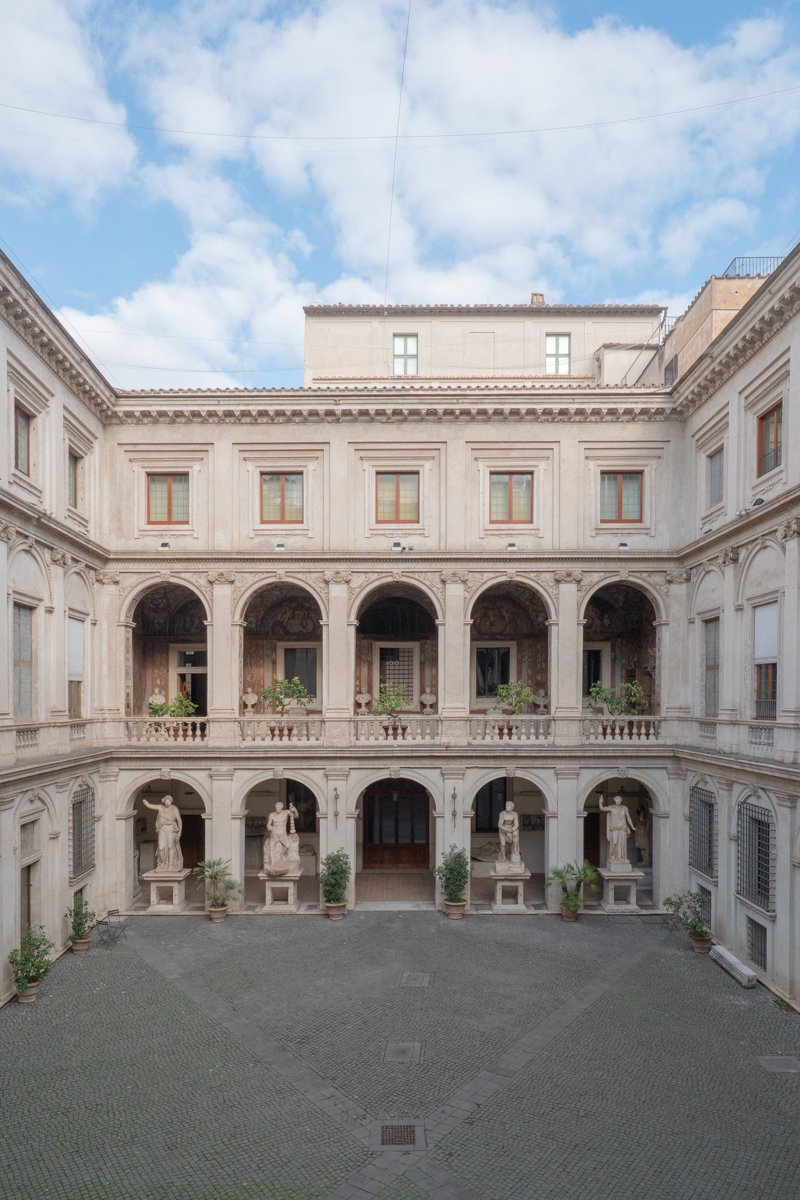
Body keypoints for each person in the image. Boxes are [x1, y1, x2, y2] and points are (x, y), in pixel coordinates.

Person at [142, 794, 183, 871]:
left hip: (171, 828)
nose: (167, 802)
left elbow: (179, 820)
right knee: (161, 847)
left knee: (170, 846)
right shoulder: (161, 807)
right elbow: (151, 806)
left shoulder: (174, 809)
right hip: (162, 828)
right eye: (166, 801)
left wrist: (180, 832)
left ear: (171, 801)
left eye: (169, 801)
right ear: (164, 801)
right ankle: (163, 863)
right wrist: (146, 803)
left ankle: (170, 865)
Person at [263, 800, 301, 876]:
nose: (278, 809)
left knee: (287, 846)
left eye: (279, 808)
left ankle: (281, 855)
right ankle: (273, 864)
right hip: (274, 834)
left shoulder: (286, 812)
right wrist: (269, 827)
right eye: (276, 808)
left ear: (282, 808)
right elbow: (268, 824)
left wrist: (295, 810)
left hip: (283, 834)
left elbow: (296, 816)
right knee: (271, 847)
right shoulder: (272, 815)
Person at [598, 795, 636, 865]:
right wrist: (600, 802)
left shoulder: (625, 808)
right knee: (614, 843)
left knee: (622, 843)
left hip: (622, 828)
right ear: (614, 801)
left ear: (621, 801)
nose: (617, 801)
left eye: (619, 800)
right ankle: (613, 857)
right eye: (616, 800)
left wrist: (632, 826)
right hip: (614, 829)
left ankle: (622, 858)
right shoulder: (611, 808)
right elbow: (602, 808)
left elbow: (628, 817)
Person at [497, 800, 521, 864]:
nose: (506, 807)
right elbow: (499, 825)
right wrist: (507, 831)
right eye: (506, 805)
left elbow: (516, 825)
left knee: (516, 834)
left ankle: (515, 849)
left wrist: (511, 830)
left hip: (511, 828)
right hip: (503, 829)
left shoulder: (514, 814)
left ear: (512, 807)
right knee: (503, 844)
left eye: (508, 806)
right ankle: (503, 856)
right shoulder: (502, 813)